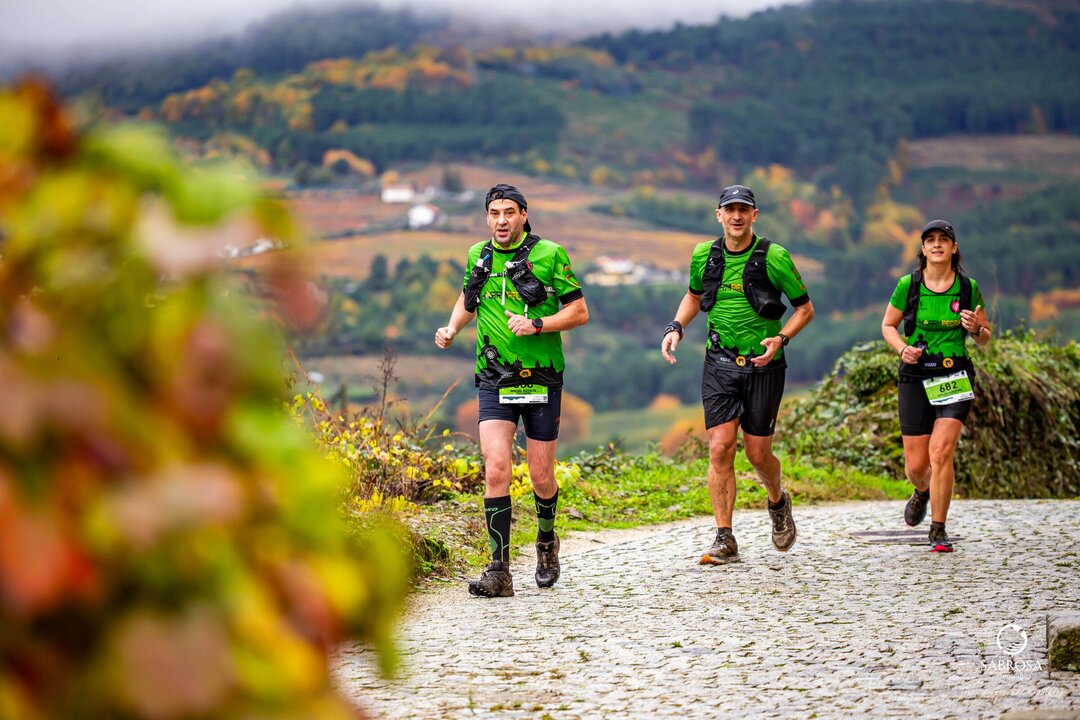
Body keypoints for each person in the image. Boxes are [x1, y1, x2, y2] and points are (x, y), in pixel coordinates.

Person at [435, 184, 588, 596]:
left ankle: (546, 541)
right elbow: (468, 299)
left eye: (508, 213)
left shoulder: (550, 254)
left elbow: (579, 312)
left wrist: (538, 324)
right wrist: (452, 327)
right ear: (487, 217)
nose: (501, 220)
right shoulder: (478, 255)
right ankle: (499, 570)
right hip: (493, 378)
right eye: (494, 213)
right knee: (497, 468)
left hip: (541, 377)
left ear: (523, 215)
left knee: (541, 476)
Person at [661, 184, 814, 564]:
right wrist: (676, 327)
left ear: (754, 215)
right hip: (720, 363)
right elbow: (694, 296)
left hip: (764, 365)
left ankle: (777, 500)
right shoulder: (704, 255)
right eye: (729, 210)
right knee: (720, 447)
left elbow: (805, 309)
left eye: (743, 210)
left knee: (758, 453)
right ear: (719, 215)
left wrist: (780, 339)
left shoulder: (774, 257)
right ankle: (724, 537)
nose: (736, 216)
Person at [881, 219, 990, 552]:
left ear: (954, 248)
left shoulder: (968, 288)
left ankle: (938, 529)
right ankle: (922, 491)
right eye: (931, 240)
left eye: (944, 239)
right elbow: (888, 325)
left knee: (941, 452)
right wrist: (902, 349)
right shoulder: (908, 285)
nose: (937, 244)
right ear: (924, 248)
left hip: (954, 375)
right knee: (916, 466)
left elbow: (984, 337)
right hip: (915, 376)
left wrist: (976, 328)